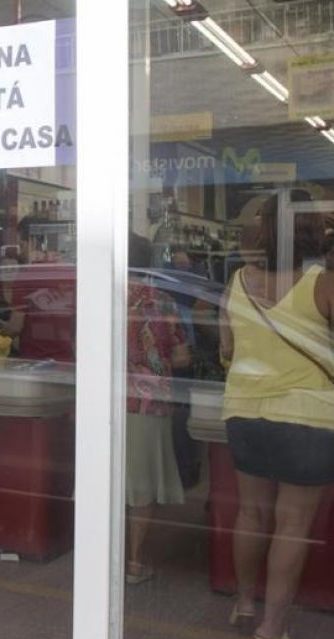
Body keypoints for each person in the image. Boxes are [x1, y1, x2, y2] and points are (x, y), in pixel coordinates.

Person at [219, 193, 334, 639]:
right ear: (312, 231)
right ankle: (272, 627)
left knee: (251, 514)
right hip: (307, 417)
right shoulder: (326, 283)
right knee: (293, 524)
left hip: (245, 411)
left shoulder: (237, 281)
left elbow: (226, 349)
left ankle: (244, 605)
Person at [124, 233, 189, 584]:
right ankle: (134, 562)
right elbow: (181, 357)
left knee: (106, 481)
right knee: (142, 488)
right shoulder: (162, 302)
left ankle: (100, 556)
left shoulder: (98, 296)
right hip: (148, 402)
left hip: (102, 401)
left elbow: (77, 346)